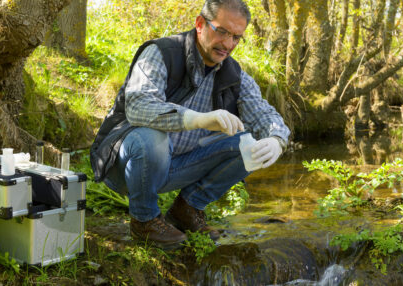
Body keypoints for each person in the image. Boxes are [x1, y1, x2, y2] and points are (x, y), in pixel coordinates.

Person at [90, 0, 290, 249]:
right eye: (222, 31)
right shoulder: (161, 53)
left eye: (237, 37)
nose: (228, 44)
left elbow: (265, 116)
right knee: (152, 137)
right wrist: (196, 119)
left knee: (250, 144)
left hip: (178, 166)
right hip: (127, 165)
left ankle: (187, 209)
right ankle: (145, 221)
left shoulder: (234, 75)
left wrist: (276, 139)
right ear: (199, 24)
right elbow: (138, 106)